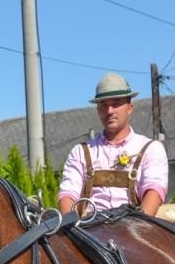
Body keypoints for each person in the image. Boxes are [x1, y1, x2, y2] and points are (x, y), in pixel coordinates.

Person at [56, 72, 168, 215]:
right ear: (97, 110)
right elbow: (67, 195)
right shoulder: (81, 152)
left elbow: (154, 191)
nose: (109, 111)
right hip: (89, 230)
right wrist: (72, 229)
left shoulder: (151, 149)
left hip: (134, 227)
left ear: (130, 108)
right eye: (103, 105)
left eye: (116, 104)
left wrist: (139, 229)